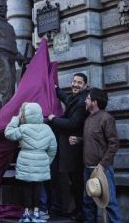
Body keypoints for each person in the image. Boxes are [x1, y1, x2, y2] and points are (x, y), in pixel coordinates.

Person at [69, 88, 121, 223]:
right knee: (88, 203)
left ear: (94, 102)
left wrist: (103, 165)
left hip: (103, 169)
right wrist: (78, 140)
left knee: (110, 203)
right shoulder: (88, 119)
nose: (85, 100)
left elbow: (114, 144)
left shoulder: (106, 118)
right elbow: (93, 140)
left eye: (87, 98)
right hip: (87, 169)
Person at [5, 103, 57, 222]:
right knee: (38, 188)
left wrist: (16, 118)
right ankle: (37, 213)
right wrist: (46, 161)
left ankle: (27, 213)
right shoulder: (47, 129)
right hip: (41, 161)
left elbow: (8, 133)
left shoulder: (23, 128)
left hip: (25, 161)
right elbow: (53, 148)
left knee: (26, 188)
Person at [47, 73, 89, 220]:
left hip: (74, 149)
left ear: (85, 86)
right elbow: (66, 98)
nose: (75, 85)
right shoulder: (76, 98)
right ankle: (77, 210)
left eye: (79, 83)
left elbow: (72, 123)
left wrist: (53, 119)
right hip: (69, 148)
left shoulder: (82, 101)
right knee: (73, 181)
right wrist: (55, 88)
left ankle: (80, 212)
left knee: (77, 182)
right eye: (74, 82)